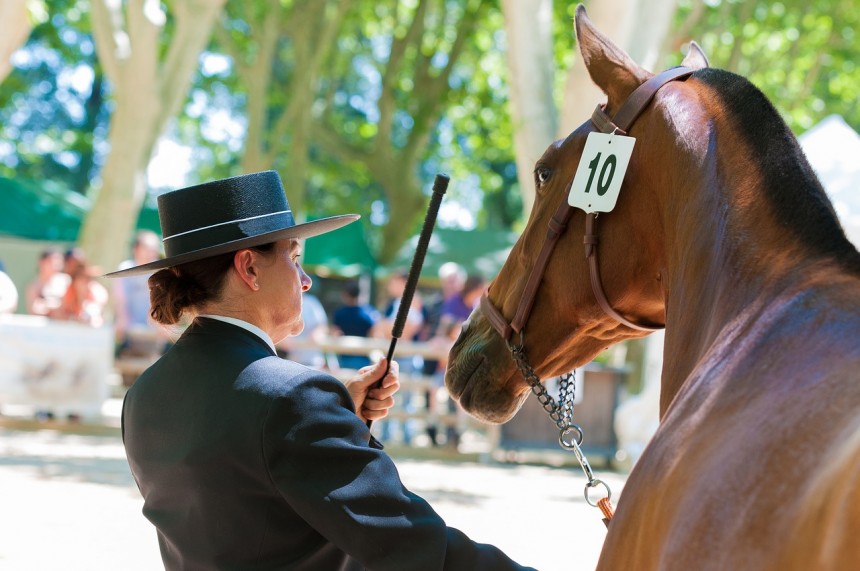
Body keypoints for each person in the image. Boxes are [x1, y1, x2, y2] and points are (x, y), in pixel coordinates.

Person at [108, 171, 534, 571]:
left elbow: (249, 492)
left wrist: (337, 420)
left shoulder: (143, 395)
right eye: (294, 258)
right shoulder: (292, 399)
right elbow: (408, 543)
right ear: (249, 268)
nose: (305, 279)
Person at [331, 279, 379, 370]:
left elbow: (335, 333)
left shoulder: (340, 313)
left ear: (345, 295)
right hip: (364, 357)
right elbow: (374, 334)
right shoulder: (369, 312)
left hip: (345, 356)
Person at [276, 287, 329, 368]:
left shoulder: (312, 302)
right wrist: (282, 337)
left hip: (313, 360)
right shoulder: (285, 302)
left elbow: (323, 325)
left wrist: (317, 333)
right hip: (291, 361)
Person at [26, 248, 69, 316]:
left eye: (59, 259)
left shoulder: (66, 281)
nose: (56, 263)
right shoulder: (34, 286)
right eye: (53, 259)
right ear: (42, 262)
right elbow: (34, 309)